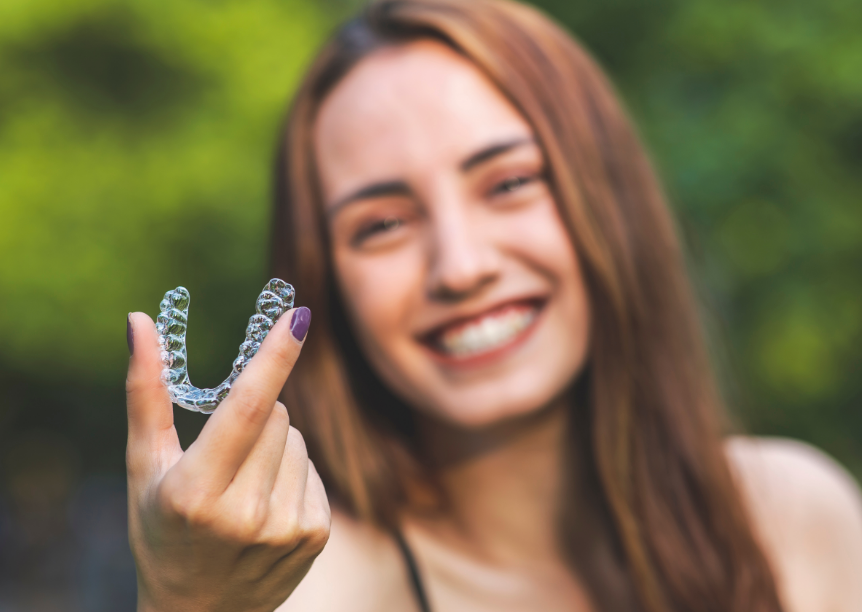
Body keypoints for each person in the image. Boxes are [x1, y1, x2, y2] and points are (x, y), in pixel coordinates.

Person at [124, 1, 862, 610]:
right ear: (325, 283)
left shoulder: (793, 520)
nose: (462, 267)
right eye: (381, 224)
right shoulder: (306, 590)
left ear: (611, 200)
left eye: (509, 183)